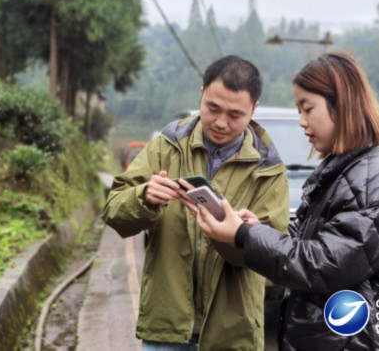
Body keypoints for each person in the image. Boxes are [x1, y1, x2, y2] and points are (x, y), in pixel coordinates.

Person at [196, 52, 379, 350]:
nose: (302, 121)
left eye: (308, 109)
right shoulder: (349, 168)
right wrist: (257, 229)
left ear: (342, 104)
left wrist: (245, 235)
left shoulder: (372, 177)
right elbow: (317, 239)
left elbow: (324, 265)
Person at [101, 55, 289, 350]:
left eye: (235, 114)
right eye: (212, 108)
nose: (221, 122)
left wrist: (240, 234)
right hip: (167, 328)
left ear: (253, 109)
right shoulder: (167, 146)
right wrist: (144, 197)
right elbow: (113, 210)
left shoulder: (268, 170)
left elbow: (273, 254)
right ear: (201, 94)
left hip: (232, 333)